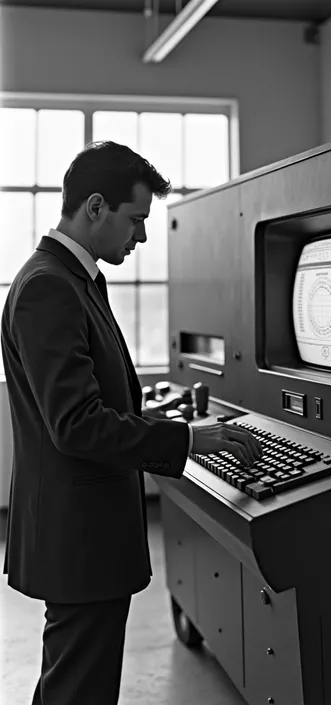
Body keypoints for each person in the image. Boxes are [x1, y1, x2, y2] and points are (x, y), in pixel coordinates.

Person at [0, 140, 262, 705]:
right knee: (79, 689)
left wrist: (157, 417)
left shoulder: (74, 280)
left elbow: (93, 402)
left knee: (75, 683)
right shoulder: (50, 286)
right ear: (95, 207)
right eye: (136, 220)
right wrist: (190, 438)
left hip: (85, 536)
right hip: (79, 541)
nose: (141, 236)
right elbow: (76, 424)